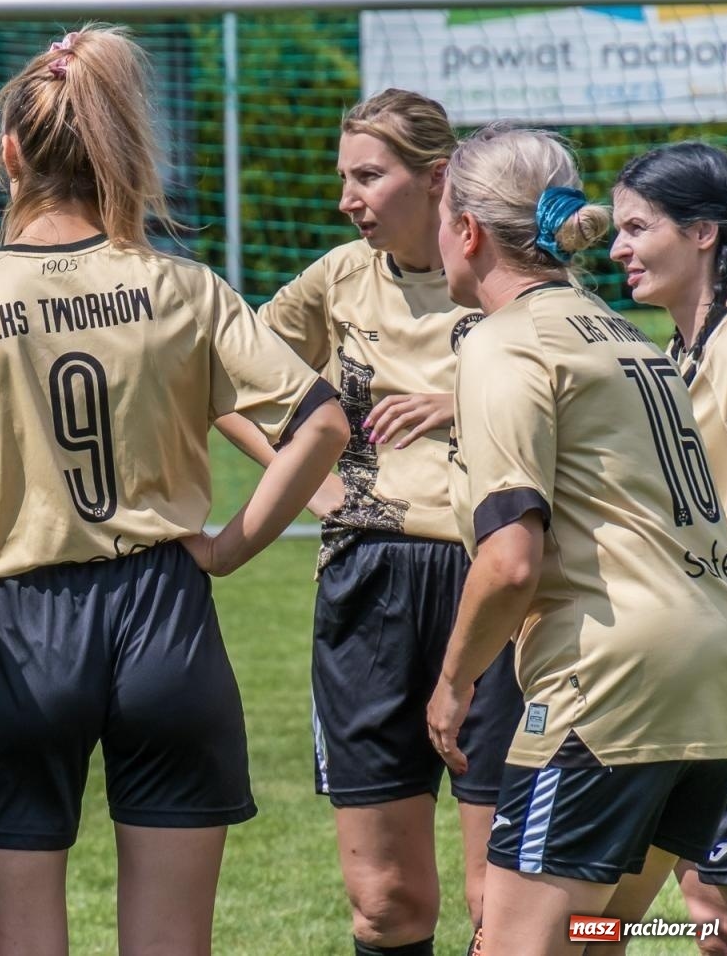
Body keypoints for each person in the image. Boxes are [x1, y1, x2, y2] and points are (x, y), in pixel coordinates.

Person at [0, 25, 349, 956]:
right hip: (166, 617)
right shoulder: (184, 287)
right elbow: (324, 424)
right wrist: (227, 548)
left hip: (17, 629)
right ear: (115, 151)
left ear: (8, 155)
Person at [214, 88, 521, 956]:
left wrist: (463, 401)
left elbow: (580, 388)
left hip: (496, 581)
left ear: (437, 178)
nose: (347, 199)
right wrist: (302, 479)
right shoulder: (340, 277)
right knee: (387, 902)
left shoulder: (512, 277)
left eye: (368, 177)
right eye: (343, 178)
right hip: (369, 584)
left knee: (501, 903)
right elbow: (224, 379)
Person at [426, 125, 727, 956]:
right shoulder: (630, 338)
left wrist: (452, 683)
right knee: (597, 935)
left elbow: (509, 561)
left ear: (468, 230)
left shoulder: (505, 342)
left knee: (516, 945)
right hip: (710, 681)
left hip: (608, 686)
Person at [599, 142, 727, 956]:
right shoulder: (679, 352)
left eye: (637, 228)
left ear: (703, 233)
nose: (618, 248)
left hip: (715, 669)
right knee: (601, 915)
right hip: (682, 673)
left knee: (715, 915)